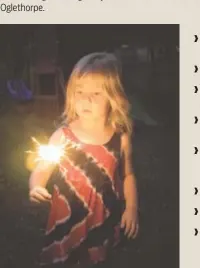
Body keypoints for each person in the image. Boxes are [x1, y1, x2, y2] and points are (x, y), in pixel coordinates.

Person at [29, 52, 139, 267]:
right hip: (67, 215)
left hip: (104, 215)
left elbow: (128, 174)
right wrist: (36, 186)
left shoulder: (120, 139)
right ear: (71, 94)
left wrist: (132, 207)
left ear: (113, 97)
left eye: (96, 93)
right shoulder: (62, 136)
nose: (86, 100)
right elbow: (42, 168)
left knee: (97, 256)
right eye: (80, 92)